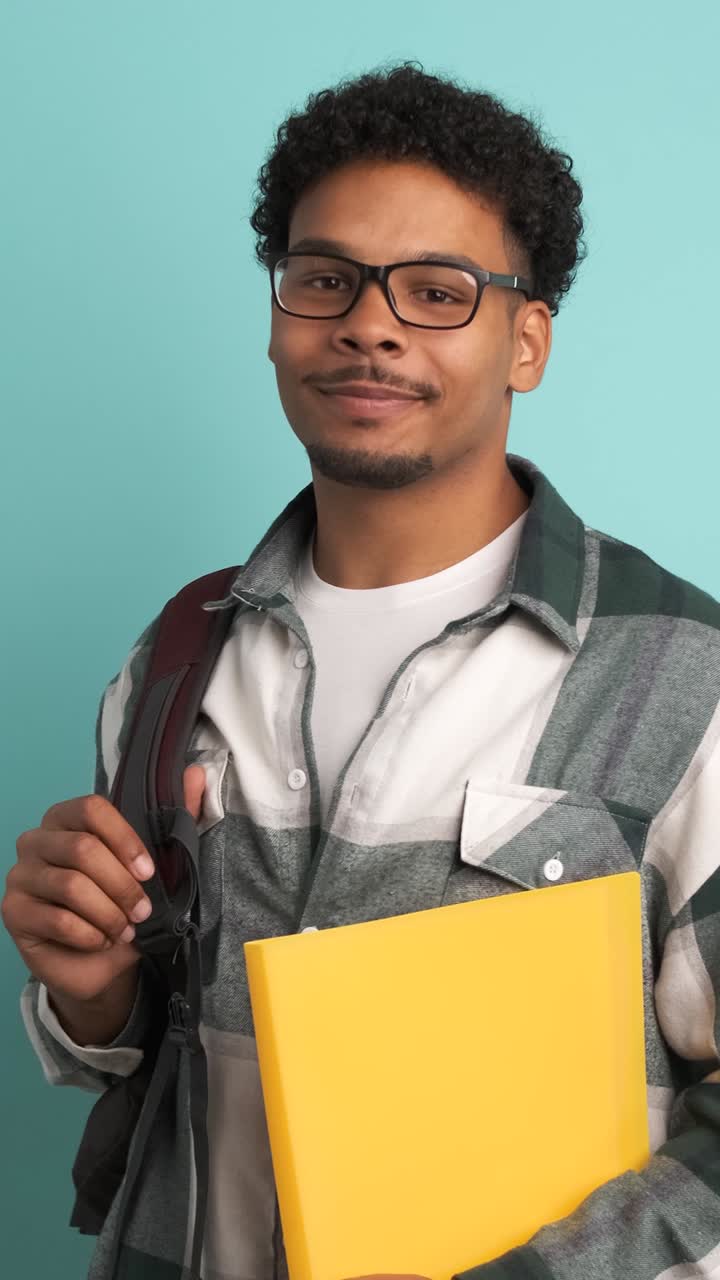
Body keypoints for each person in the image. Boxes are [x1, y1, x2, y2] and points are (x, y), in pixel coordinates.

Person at [4, 58, 720, 1280]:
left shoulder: (682, 680)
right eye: (324, 277)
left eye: (438, 289)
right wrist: (91, 990)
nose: (370, 323)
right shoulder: (173, 659)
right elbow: (127, 1050)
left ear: (527, 338)